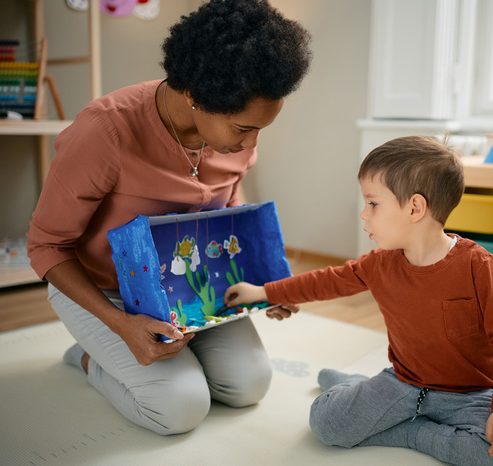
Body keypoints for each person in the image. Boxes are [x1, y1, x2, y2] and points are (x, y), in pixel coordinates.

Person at [26, 0, 311, 436]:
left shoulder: (236, 140)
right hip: (106, 291)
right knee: (180, 409)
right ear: (195, 95)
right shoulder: (106, 131)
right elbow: (45, 246)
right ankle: (88, 357)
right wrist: (121, 325)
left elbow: (229, 211)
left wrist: (266, 284)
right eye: (242, 129)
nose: (252, 143)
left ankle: (140, 358)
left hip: (191, 288)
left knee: (249, 385)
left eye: (260, 130)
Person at [225, 136, 493, 465]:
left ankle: (407, 429)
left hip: (469, 395)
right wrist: (263, 292)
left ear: (415, 208)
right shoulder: (380, 263)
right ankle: (358, 390)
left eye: (373, 203)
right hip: (402, 385)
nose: (364, 214)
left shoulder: (478, 265)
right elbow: (327, 281)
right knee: (326, 423)